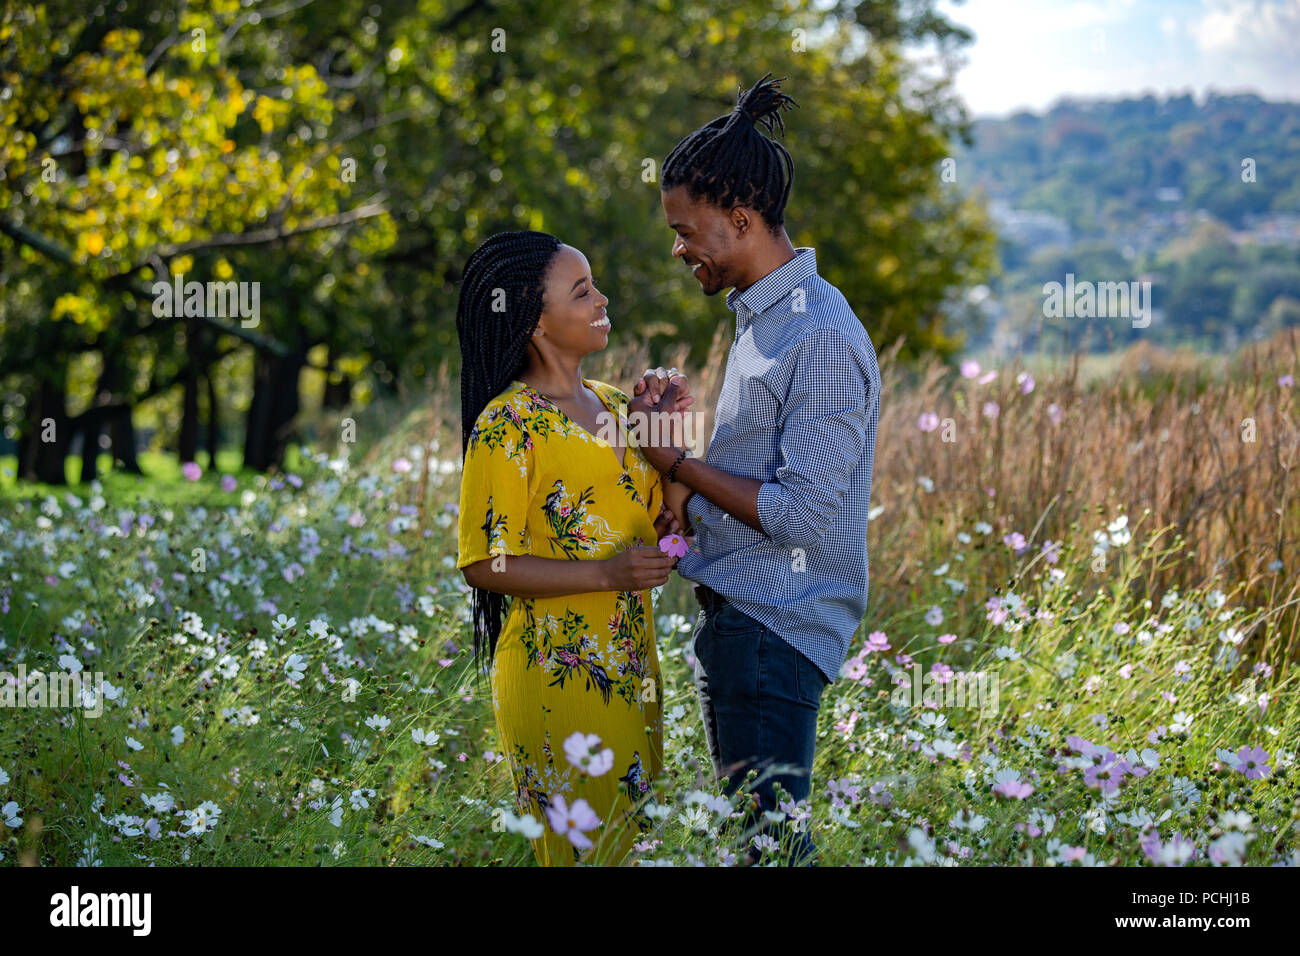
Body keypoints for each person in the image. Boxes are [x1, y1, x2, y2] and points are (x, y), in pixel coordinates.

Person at [633, 73, 882, 866]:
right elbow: (759, 471)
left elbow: (798, 514)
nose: (678, 249)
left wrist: (672, 458)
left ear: (740, 219)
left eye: (687, 230)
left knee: (771, 852)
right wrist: (684, 472)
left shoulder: (818, 335)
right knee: (761, 847)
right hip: (744, 626)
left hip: (773, 630)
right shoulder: (765, 321)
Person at [454, 230, 694, 866]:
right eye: (582, 291)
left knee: (632, 851)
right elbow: (485, 562)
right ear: (535, 320)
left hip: (633, 669)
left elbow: (668, 530)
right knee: (589, 856)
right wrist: (605, 571)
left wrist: (667, 440)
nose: (601, 299)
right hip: (556, 673)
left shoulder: (618, 407)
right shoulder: (506, 425)